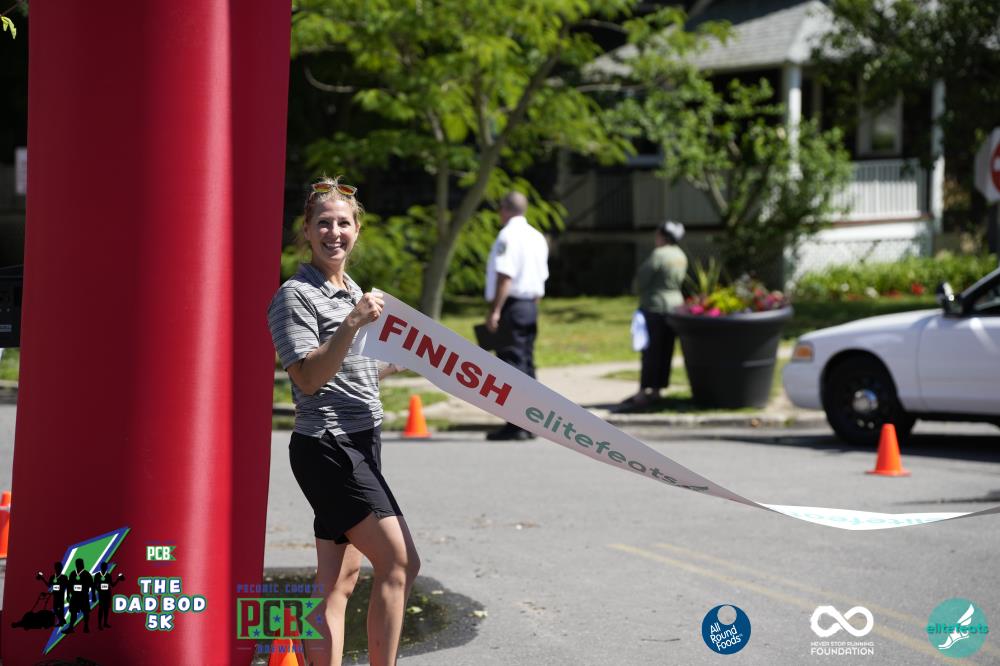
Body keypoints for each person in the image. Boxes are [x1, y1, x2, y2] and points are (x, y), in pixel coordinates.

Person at [267, 177, 418, 666]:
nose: (334, 232)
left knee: (338, 581)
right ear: (307, 231)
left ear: (357, 230)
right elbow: (309, 377)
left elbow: (351, 367)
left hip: (362, 440)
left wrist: (403, 359)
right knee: (399, 562)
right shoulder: (294, 296)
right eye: (324, 223)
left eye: (344, 223)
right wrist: (352, 322)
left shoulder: (351, 289)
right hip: (329, 446)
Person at [484, 191, 549, 441]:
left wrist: (495, 310)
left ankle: (516, 424)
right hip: (530, 305)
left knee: (510, 367)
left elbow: (505, 276)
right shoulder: (536, 236)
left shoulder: (508, 235)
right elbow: (541, 277)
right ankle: (532, 423)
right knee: (527, 365)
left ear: (505, 209)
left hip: (512, 305)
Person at [618, 220, 688, 411]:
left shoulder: (659, 254)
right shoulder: (680, 255)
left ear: (662, 236)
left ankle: (643, 392)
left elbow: (642, 279)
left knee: (650, 352)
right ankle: (657, 390)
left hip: (654, 306)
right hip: (675, 305)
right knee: (666, 350)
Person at [63, 558, 94, 634]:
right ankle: (71, 628)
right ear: (76, 564)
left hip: (83, 596)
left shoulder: (86, 574)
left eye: (81, 563)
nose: (80, 565)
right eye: (78, 563)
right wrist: (68, 595)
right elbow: (69, 585)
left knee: (86, 612)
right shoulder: (73, 573)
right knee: (73, 613)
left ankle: (86, 626)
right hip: (75, 597)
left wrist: (93, 595)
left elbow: (92, 585)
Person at [36, 561, 68, 626]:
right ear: (55, 568)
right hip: (55, 595)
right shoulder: (52, 577)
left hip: (61, 595)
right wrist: (43, 578)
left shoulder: (64, 577)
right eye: (57, 567)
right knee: (56, 608)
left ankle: (62, 621)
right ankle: (62, 620)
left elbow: (65, 586)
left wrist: (56, 587)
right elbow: (49, 585)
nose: (58, 569)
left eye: (59, 568)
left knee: (60, 609)